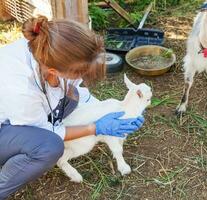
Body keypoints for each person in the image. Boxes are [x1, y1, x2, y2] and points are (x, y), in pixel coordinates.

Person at [0, 16, 144, 199]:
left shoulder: (48, 47)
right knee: (49, 146)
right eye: (80, 73)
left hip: (23, 113)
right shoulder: (20, 88)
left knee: (73, 97)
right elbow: (44, 131)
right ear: (53, 71)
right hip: (6, 127)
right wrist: (96, 127)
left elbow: (77, 92)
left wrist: (108, 111)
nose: (83, 77)